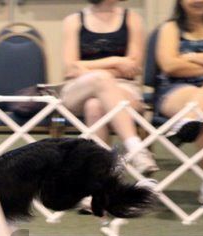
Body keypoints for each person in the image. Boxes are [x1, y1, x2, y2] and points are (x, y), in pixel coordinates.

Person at [61, 0, 159, 177]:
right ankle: (134, 147)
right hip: (80, 89)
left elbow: (134, 67)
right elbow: (71, 69)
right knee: (101, 79)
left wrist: (88, 67)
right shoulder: (74, 21)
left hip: (124, 87)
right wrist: (116, 61)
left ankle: (96, 181)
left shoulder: (132, 19)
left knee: (95, 106)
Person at [156, 0, 203, 211]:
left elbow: (178, 62)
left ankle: (187, 124)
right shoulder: (170, 28)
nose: (198, 1)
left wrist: (191, 57)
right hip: (176, 91)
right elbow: (170, 66)